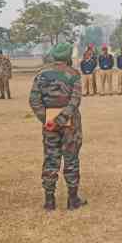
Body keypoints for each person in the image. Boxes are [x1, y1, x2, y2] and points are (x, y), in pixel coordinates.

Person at [29, 43, 88, 211]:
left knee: (50, 159)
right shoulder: (73, 74)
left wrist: (47, 119)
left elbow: (34, 100)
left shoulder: (41, 74)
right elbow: (75, 100)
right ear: (68, 56)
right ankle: (72, 199)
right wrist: (62, 118)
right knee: (71, 159)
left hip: (49, 125)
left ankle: (49, 201)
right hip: (70, 125)